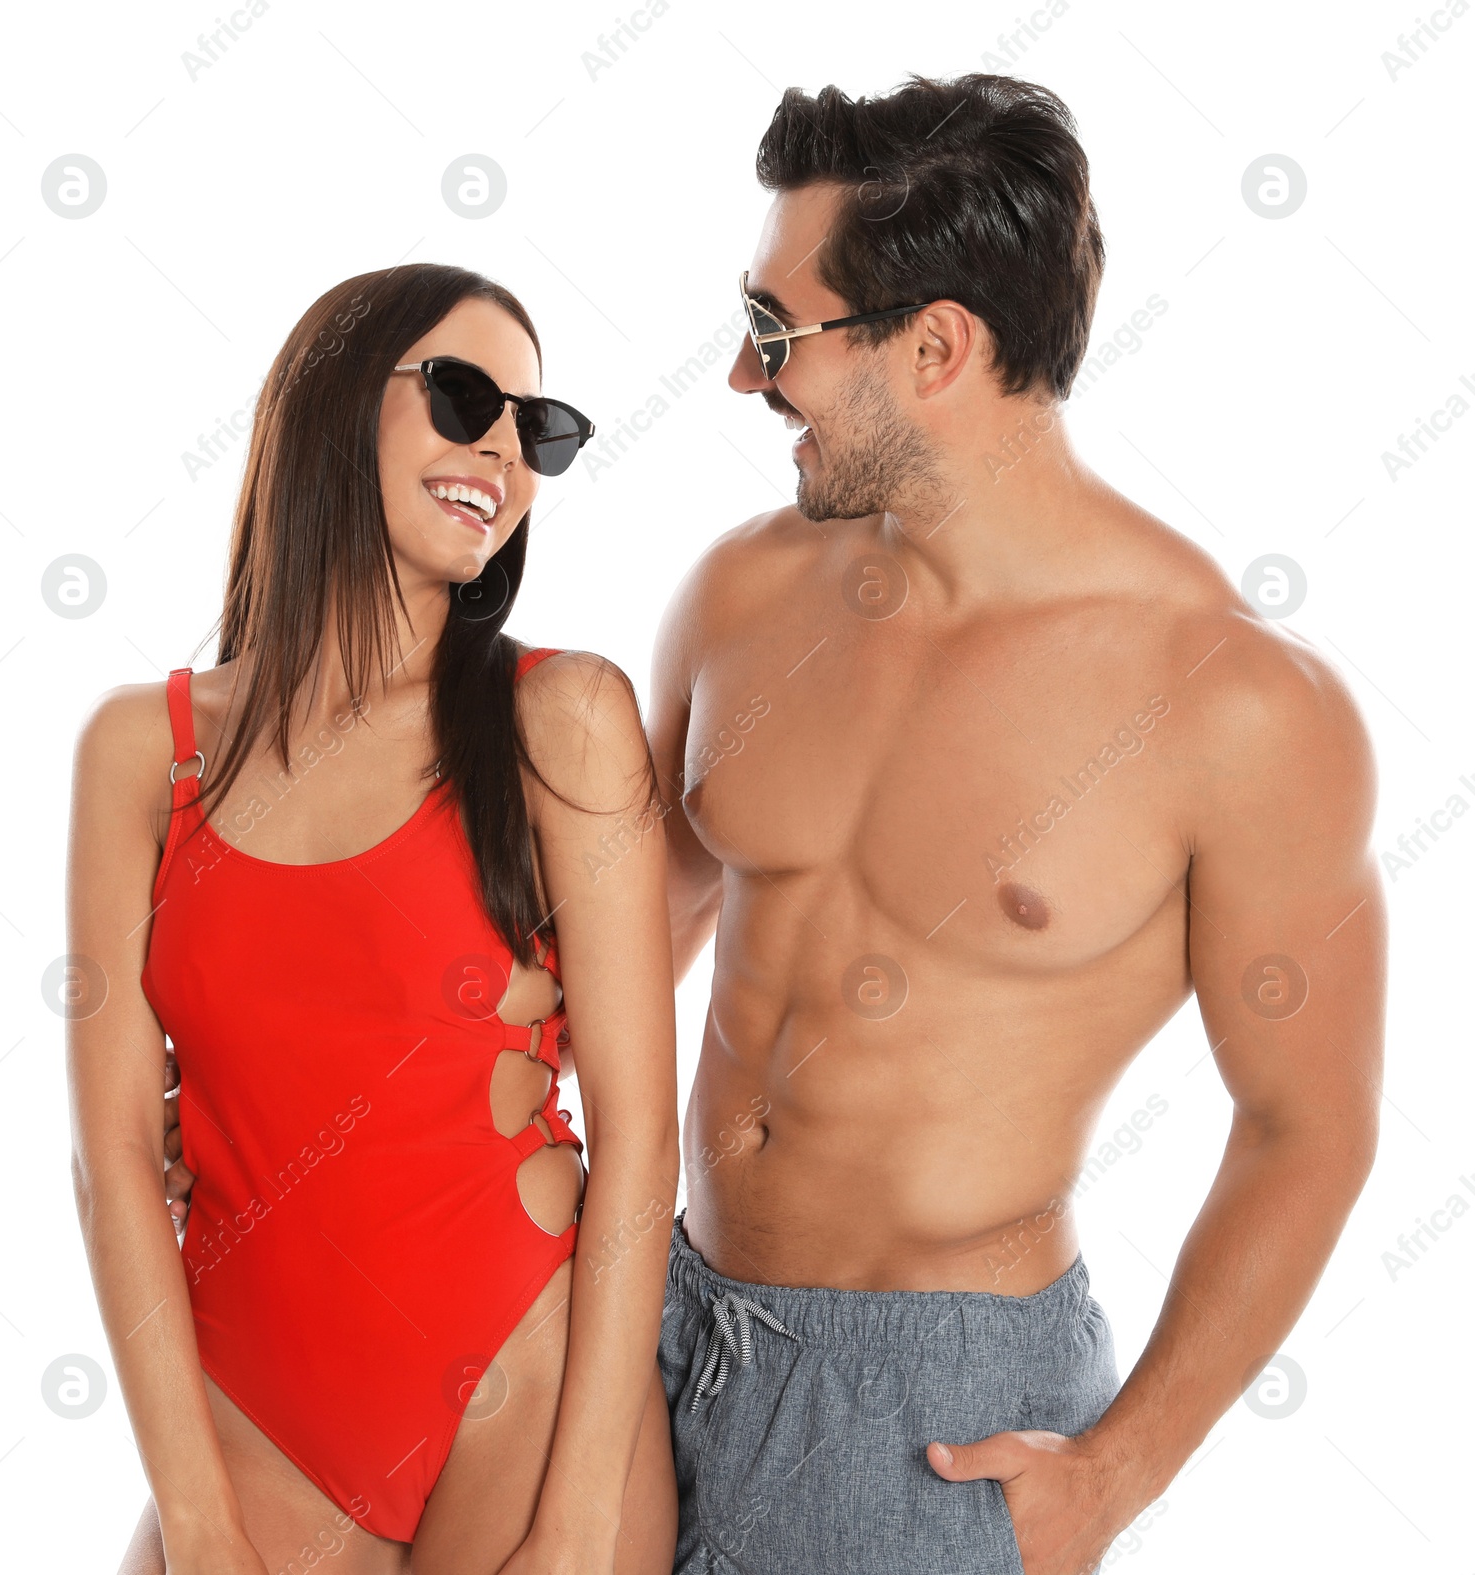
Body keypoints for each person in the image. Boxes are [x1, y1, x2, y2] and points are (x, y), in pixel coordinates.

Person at [646, 74, 1384, 1574]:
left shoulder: (1235, 702)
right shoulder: (738, 595)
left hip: (932, 1423)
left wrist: (1117, 1474)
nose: (739, 376)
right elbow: (613, 949)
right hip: (657, 1325)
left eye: (777, 334)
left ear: (935, 346)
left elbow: (1312, 1130)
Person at [66, 263, 681, 1575]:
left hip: (525, 1386)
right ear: (334, 404)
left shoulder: (560, 720)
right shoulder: (145, 752)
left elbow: (640, 1140)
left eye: (540, 428)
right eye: (466, 399)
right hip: (253, 1409)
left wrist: (581, 1522)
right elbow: (116, 1153)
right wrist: (193, 1519)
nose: (504, 453)